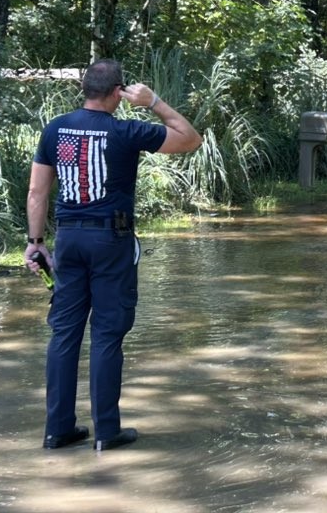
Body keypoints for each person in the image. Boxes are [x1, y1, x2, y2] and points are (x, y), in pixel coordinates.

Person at [24, 59, 202, 451]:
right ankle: (106, 432)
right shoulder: (126, 130)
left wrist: (36, 241)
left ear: (85, 88)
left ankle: (58, 430)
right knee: (106, 335)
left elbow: (37, 193)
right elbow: (189, 139)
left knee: (64, 333)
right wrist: (154, 101)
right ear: (118, 92)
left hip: (68, 241)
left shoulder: (55, 129)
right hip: (111, 242)